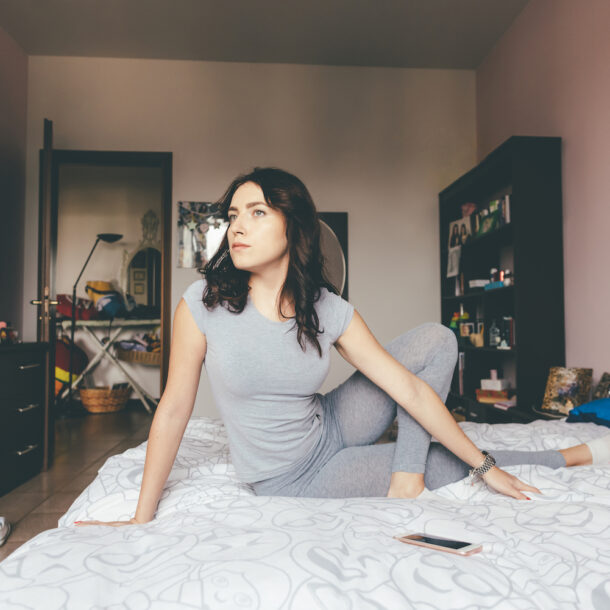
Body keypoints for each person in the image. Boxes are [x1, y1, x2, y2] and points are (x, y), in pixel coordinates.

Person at [76, 167, 610, 527]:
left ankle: (409, 475)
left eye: (257, 213)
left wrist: (482, 465)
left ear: (293, 224)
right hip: (291, 475)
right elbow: (171, 410)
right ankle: (563, 455)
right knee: (449, 465)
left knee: (436, 338)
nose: (238, 227)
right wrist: (141, 517)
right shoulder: (202, 305)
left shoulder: (324, 306)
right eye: (233, 216)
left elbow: (407, 386)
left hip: (332, 423)